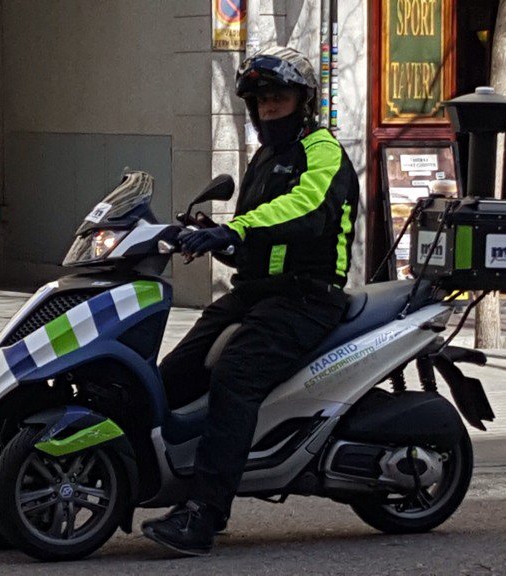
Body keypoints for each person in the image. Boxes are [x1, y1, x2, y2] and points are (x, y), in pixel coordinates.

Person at [142, 46, 359, 556]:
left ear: (303, 102)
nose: (268, 108)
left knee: (234, 378)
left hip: (307, 296)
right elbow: (260, 238)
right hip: (256, 295)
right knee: (173, 375)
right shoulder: (264, 157)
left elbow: (305, 209)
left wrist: (234, 230)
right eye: (260, 101)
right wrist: (211, 235)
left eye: (278, 97)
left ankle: (205, 513)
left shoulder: (321, 149)